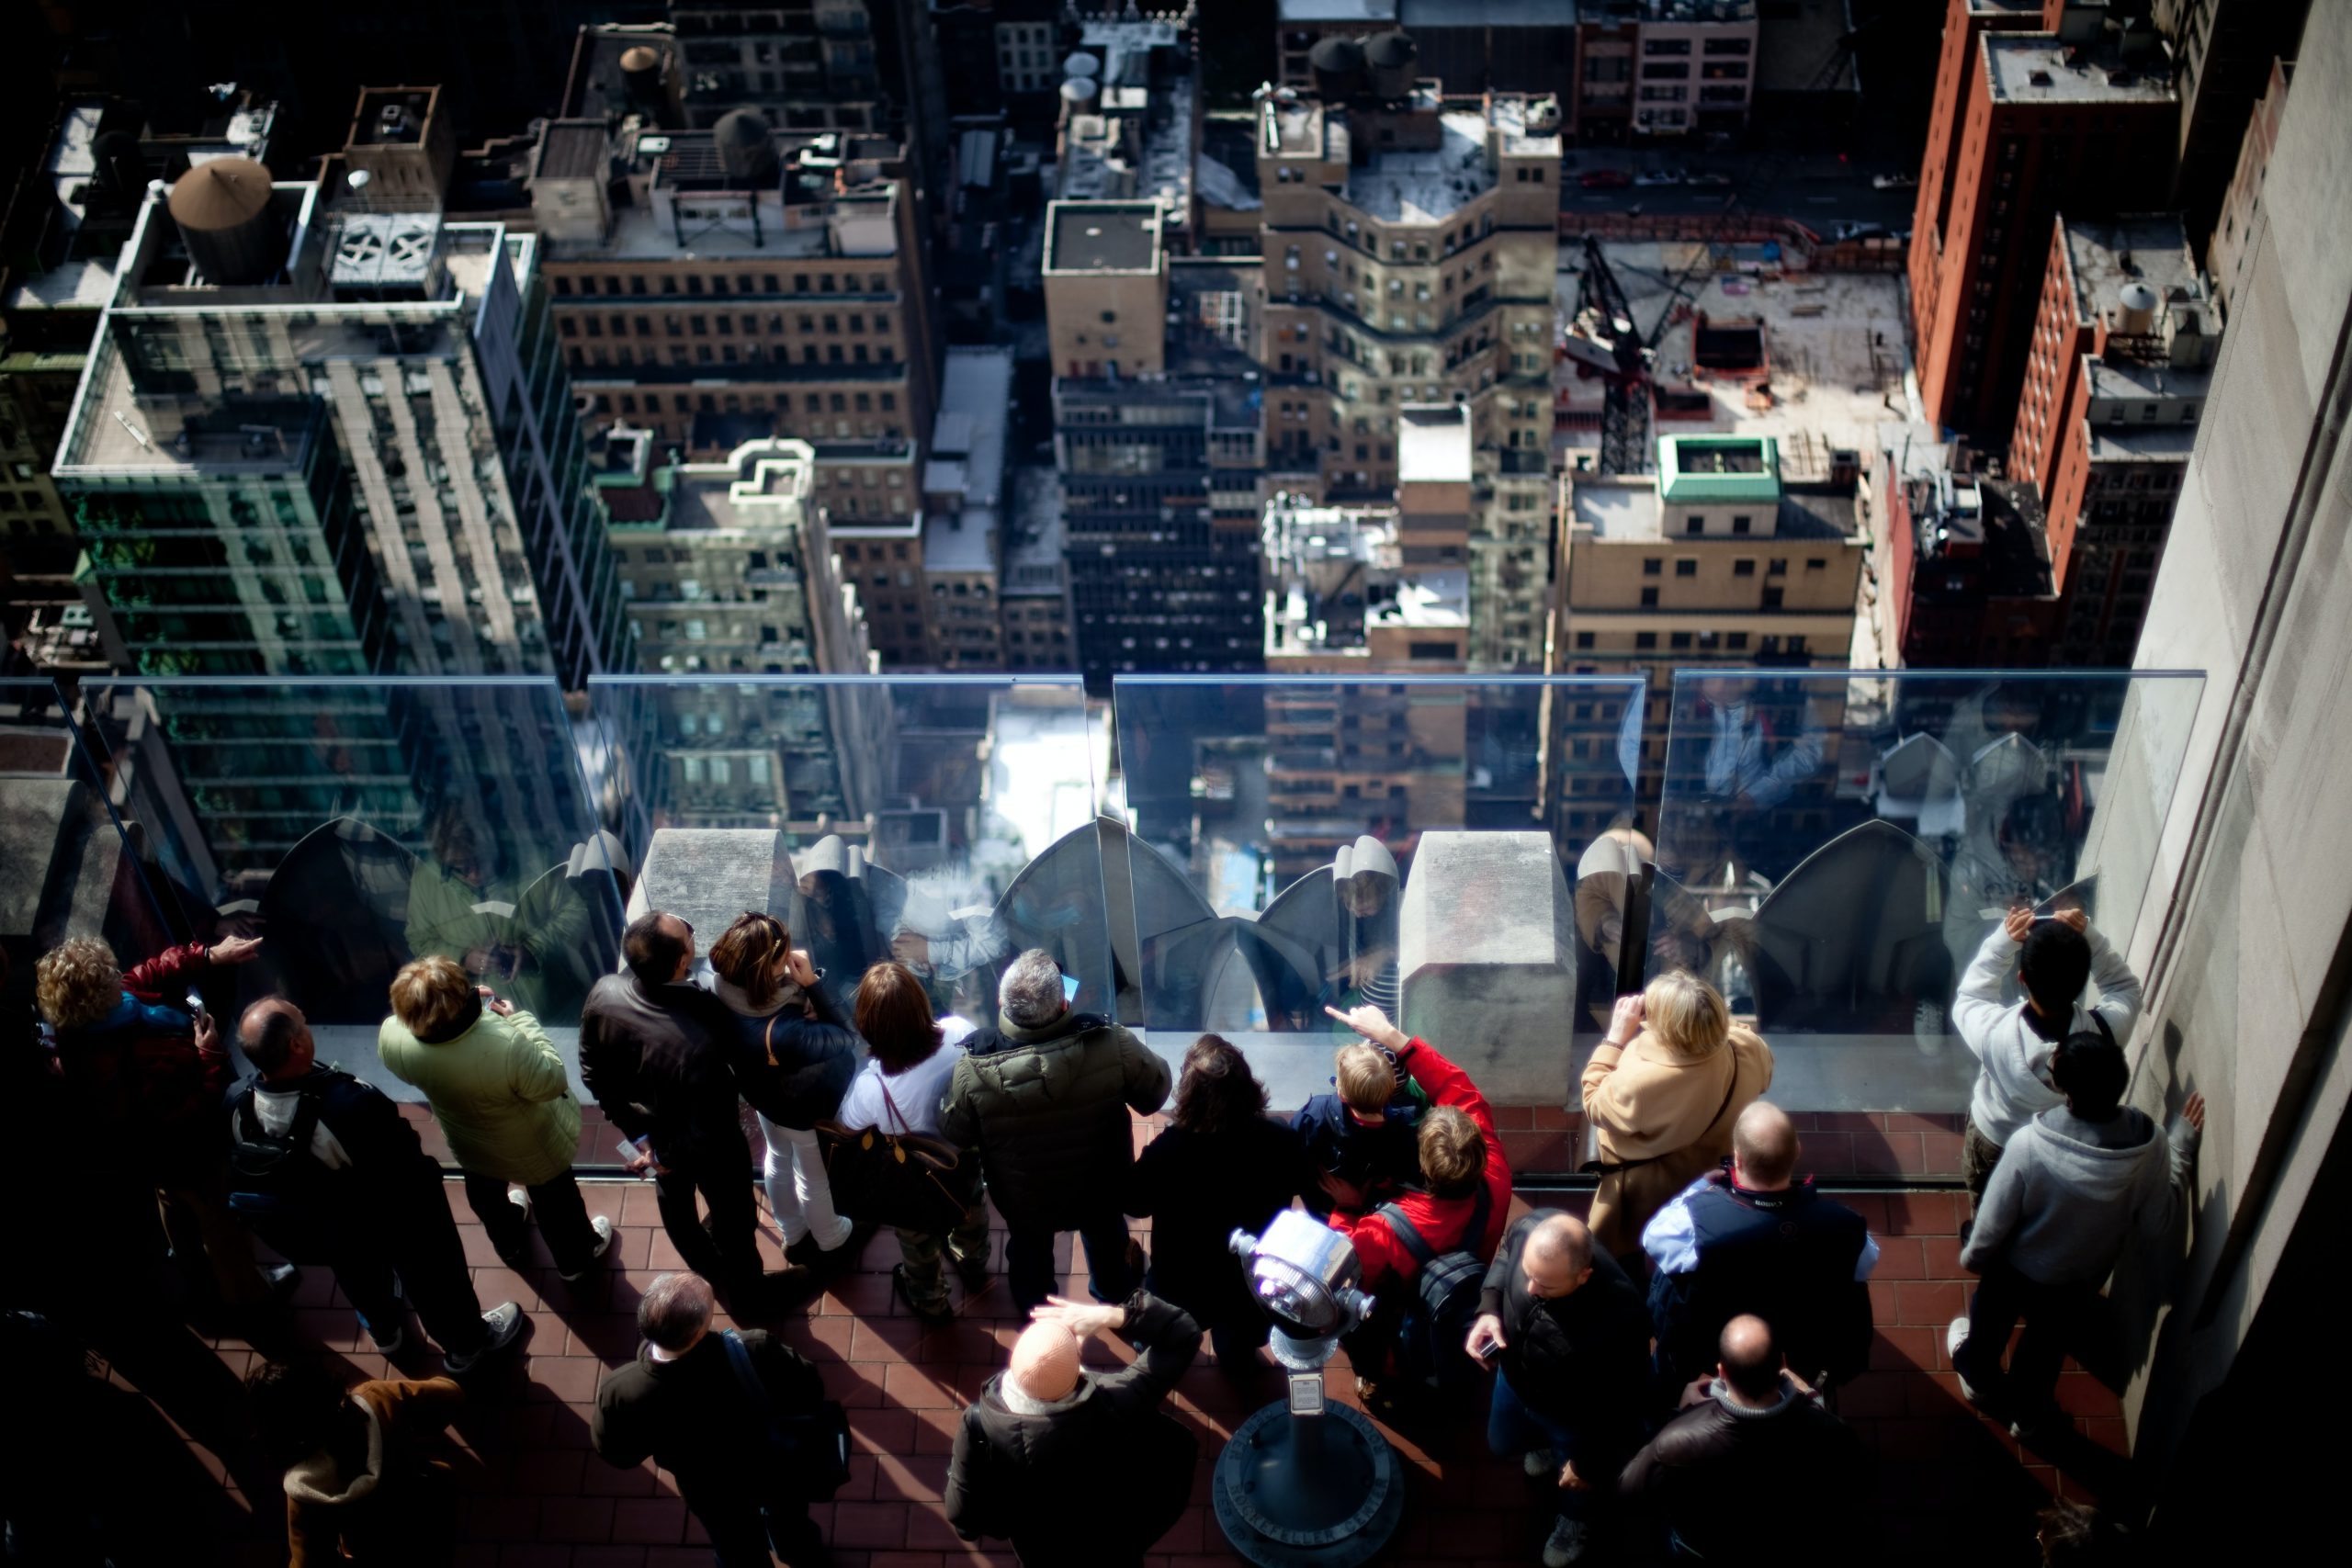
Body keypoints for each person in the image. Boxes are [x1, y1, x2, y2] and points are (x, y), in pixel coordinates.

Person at [224, 998, 525, 1371]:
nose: (307, 1021)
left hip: (325, 1228)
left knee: (356, 1272)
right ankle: (467, 1345)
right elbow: (403, 1162)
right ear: (296, 1046)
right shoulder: (347, 1105)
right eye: (302, 1022)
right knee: (435, 1276)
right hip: (387, 1217)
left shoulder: (237, 1101)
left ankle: (386, 1334)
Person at [1951, 1029, 2203, 1438]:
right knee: (2045, 1350)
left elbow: (1993, 1222)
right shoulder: (2152, 1143)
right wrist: (2181, 1149)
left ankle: (1979, 1381)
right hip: (2077, 1280)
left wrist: (1974, 1257)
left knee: (1987, 1331)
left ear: (2065, 1089)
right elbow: (2158, 1223)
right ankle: (2030, 1417)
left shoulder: (2029, 1144)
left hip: (2014, 1271)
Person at [34, 933, 293, 1315]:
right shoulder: (130, 1055)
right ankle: (249, 1297)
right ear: (99, 993)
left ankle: (194, 1274)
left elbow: (149, 971)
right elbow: (192, 1112)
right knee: (217, 1218)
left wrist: (206, 955)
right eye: (109, 973)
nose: (119, 973)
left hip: (146, 1156)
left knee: (172, 1202)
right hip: (185, 1151)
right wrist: (207, 1052)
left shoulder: (92, 1022)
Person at [940, 949, 1170, 1314]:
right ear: (1065, 1005)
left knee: (1029, 1253)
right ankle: (1113, 1298)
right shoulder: (1112, 1043)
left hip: (1024, 1196)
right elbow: (1156, 1094)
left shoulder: (972, 1069)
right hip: (1101, 1187)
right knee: (1107, 1241)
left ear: (1002, 1001)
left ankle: (1038, 1317)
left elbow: (956, 1131)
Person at [377, 955, 615, 1281]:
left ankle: (509, 1244)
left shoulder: (393, 1035)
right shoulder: (505, 1044)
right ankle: (575, 1259)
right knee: (555, 1201)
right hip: (529, 1143)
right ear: (462, 1000)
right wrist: (520, 1020)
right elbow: (551, 1080)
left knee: (485, 1193)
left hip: (467, 1141)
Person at [1319, 1002, 1513, 1398]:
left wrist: (1348, 1208)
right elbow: (1456, 1085)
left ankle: (1377, 1377)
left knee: (1370, 1334)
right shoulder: (1495, 1171)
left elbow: (1344, 1261)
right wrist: (1392, 1036)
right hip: (1466, 1275)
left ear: (1423, 1163)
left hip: (1408, 1317)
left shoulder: (1387, 1230)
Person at [580, 911, 769, 1301]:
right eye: (689, 932)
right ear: (684, 960)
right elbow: (713, 1122)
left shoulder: (604, 993)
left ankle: (709, 1270)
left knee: (678, 1212)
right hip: (704, 1147)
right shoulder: (701, 1029)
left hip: (654, 1135)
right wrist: (664, 1152)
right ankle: (747, 1289)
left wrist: (640, 1137)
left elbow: (593, 1076)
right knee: (736, 1217)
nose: (691, 931)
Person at [944, 1290, 1203, 1568]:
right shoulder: (1118, 1400)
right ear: (1076, 1365)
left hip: (1041, 1550)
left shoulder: (978, 1423)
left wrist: (1004, 1522)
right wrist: (1112, 1315)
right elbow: (1183, 1334)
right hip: (1114, 1541)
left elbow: (962, 1515)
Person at [592, 1271, 831, 1568]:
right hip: (772, 1464)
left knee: (735, 1546)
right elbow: (810, 1388)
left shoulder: (621, 1390)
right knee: (789, 1519)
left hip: (707, 1488)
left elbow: (616, 1452)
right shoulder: (754, 1348)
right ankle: (799, 1552)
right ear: (697, 1332)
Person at [1642, 1100, 1879, 1394]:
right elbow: (1866, 1263)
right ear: (1797, 1152)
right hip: (1804, 1361)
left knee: (1670, 1277)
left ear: (1737, 1160)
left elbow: (1652, 1239)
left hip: (1715, 1362)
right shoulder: (1848, 1224)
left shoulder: (1690, 1226)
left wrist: (1700, 1188)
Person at [1464, 1213, 1651, 1568]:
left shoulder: (1622, 1321)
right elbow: (1506, 1254)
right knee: (1501, 1443)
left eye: (1546, 1285)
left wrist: (1588, 1464)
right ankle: (1542, 1446)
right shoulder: (1533, 1226)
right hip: (1515, 1381)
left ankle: (1574, 1522)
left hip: (1575, 1420)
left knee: (1575, 1485)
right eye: (1529, 1274)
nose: (1532, 1289)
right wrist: (1489, 1309)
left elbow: (1622, 1405)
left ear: (1584, 1276)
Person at [1617, 1314, 1868, 1562]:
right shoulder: (1829, 1431)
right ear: (1782, 1363)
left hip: (1703, 1549)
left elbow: (1629, 1487)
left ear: (1722, 1371)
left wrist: (1681, 1414)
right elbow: (1855, 1481)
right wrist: (1812, 1399)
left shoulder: (1675, 1440)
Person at [1124, 1034, 1308, 1369]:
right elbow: (1300, 1183)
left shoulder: (1169, 1152)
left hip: (1182, 1277)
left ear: (1189, 1094)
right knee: (1238, 1347)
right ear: (1248, 1088)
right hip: (1250, 1277)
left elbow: (1135, 1204)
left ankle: (1155, 1359)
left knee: (1161, 1337)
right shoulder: (1280, 1140)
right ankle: (1236, 1363)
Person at [1581, 971, 1774, 1266]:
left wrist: (1615, 1039)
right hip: (1713, 1191)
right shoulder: (1747, 1048)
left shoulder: (1640, 1083)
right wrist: (1702, 1013)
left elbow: (1595, 1104)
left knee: (1639, 1274)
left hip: (1649, 1200)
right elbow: (1759, 1069)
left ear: (1665, 1029)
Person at [1952, 906, 2143, 1204]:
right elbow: (2125, 989)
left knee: (1990, 1204)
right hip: (2062, 1149)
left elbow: (1970, 997)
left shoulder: (1995, 1034)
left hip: (1996, 1141)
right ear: (2082, 982)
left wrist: (2001, 942)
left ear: (2021, 978)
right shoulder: (2105, 1035)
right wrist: (2090, 937)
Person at [705, 912, 861, 1270]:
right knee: (813, 1173)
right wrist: (811, 985)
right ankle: (831, 1237)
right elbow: (846, 1038)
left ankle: (792, 1232)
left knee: (776, 1156)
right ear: (769, 970)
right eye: (784, 956)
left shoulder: (716, 987)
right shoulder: (785, 1028)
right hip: (799, 1107)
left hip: (762, 1095)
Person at [837, 960, 989, 1322]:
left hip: (914, 1176)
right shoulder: (958, 1031)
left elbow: (847, 1125)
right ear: (921, 1004)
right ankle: (973, 1261)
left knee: (917, 1239)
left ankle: (930, 1300)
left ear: (869, 1026)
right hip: (962, 1153)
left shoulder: (872, 1088)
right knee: (971, 1204)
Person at [246, 1358, 464, 1566]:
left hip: (378, 1552)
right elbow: (449, 1394)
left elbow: (308, 1560)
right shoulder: (376, 1398)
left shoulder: (303, 1490)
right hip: (429, 1502)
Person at [1292, 1032, 1425, 1219]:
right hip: (1374, 1213)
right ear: (1392, 1088)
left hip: (1323, 1208)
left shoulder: (1312, 1115)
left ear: (1341, 1093)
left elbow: (1294, 1157)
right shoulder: (1404, 1135)